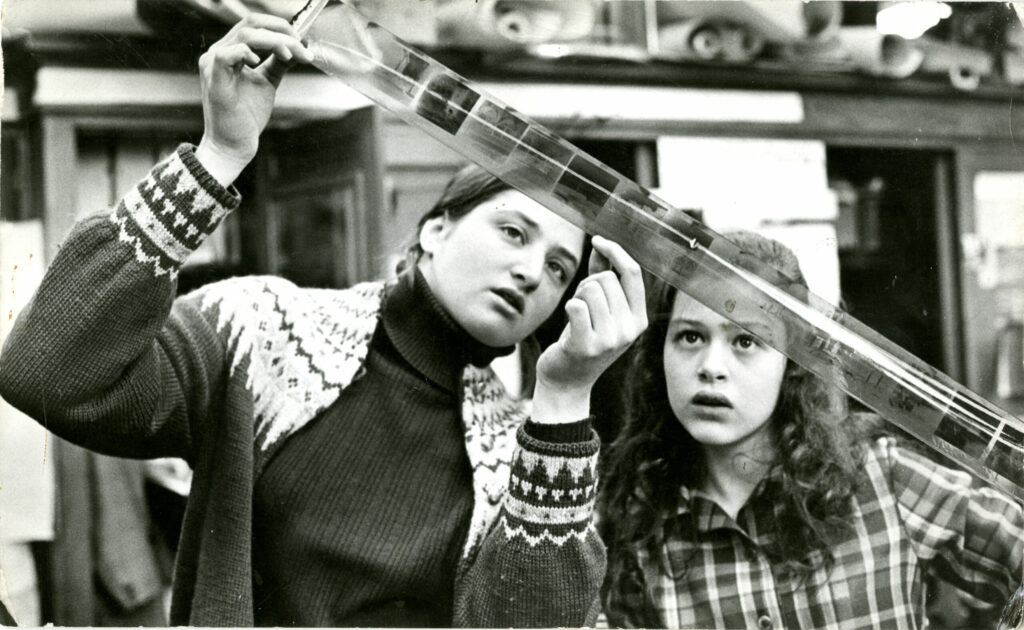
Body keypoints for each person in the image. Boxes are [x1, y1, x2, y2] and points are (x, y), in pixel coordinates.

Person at [0, 13, 649, 628]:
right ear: (434, 231)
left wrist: (563, 400)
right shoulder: (263, 331)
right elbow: (48, 371)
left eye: (561, 269)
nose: (533, 271)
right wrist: (217, 157)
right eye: (513, 231)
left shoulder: (526, 451)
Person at [598, 230, 1023, 629]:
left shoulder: (881, 477)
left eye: (746, 341)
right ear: (660, 356)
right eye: (690, 337)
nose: (711, 367)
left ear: (792, 365)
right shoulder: (642, 533)